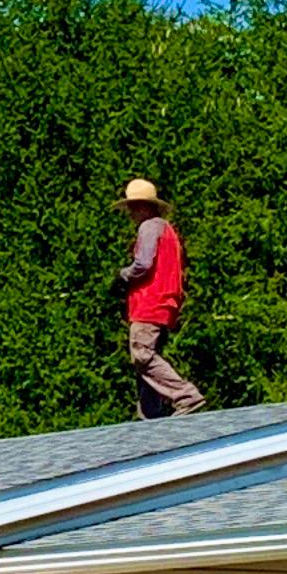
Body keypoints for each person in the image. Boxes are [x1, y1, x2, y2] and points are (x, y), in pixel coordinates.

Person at [114, 177, 206, 417]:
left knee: (142, 355)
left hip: (150, 302)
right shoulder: (167, 230)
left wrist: (124, 275)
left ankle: (186, 396)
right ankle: (150, 419)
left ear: (146, 206)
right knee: (146, 369)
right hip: (165, 303)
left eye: (134, 206)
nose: (131, 212)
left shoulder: (149, 226)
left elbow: (143, 264)